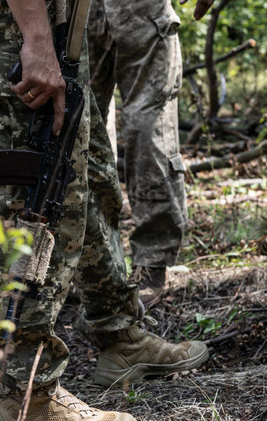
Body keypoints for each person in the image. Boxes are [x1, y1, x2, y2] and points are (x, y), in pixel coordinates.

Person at [0, 0, 210, 421]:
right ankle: (26, 397)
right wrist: (35, 35)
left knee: (83, 169)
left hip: (56, 19)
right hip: (17, 18)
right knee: (34, 194)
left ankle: (119, 333)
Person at [87, 0, 215, 307]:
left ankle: (152, 261)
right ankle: (96, 263)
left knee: (149, 131)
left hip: (141, 11)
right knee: (83, 133)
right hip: (76, 14)